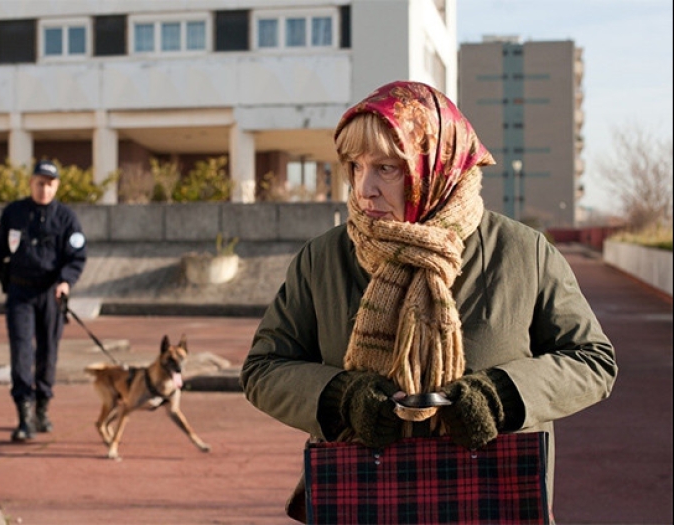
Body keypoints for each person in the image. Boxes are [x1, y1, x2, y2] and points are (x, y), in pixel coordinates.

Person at [240, 80, 617, 522]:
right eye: (355, 166)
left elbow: (593, 360)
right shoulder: (321, 259)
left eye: (387, 168)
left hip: (493, 497)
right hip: (366, 497)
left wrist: (504, 397)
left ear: (437, 164)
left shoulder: (522, 251)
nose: (364, 189)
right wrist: (342, 398)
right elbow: (264, 368)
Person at [0, 159, 87, 442]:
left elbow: (77, 256)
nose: (44, 189)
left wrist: (66, 280)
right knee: (21, 353)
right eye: (40, 183)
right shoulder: (14, 213)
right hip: (20, 294)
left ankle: (42, 408)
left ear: (57, 186)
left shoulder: (66, 218)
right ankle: (24, 416)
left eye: (50, 184)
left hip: (51, 294)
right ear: (31, 183)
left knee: (47, 353)